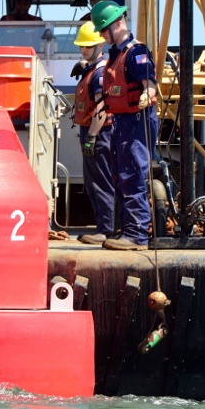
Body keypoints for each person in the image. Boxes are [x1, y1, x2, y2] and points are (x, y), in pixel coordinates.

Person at [91, 1, 158, 251]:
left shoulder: (135, 52)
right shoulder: (116, 54)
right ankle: (127, 229)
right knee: (120, 176)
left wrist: (146, 95)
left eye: (103, 29)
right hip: (121, 122)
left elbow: (150, 84)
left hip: (136, 121)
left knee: (132, 175)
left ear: (117, 24)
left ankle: (137, 234)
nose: (101, 35)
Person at [72, 22, 115, 245]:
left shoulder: (99, 74)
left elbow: (101, 108)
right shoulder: (93, 69)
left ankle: (106, 230)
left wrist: (91, 136)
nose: (84, 49)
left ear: (100, 45)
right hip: (93, 131)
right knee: (93, 182)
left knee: (101, 182)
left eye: (88, 46)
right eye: (82, 46)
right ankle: (105, 227)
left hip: (99, 133)